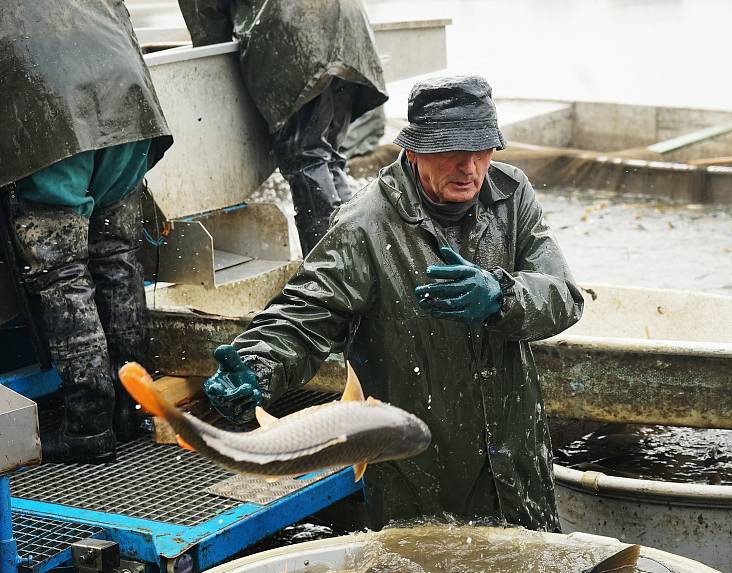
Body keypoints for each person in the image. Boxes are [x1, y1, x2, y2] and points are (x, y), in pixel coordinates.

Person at [202, 75, 584, 531]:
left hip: (518, 468)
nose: (469, 168)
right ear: (414, 150)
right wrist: (256, 366)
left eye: (480, 151)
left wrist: (501, 297)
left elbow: (563, 294)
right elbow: (305, 314)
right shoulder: (365, 224)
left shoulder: (510, 193)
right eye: (450, 152)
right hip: (418, 473)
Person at [0, 2, 173, 464]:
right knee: (116, 256)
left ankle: (88, 426)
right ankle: (130, 410)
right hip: (128, 113)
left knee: (62, 274)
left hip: (53, 122)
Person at [178, 0, 388, 255]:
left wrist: (214, 64)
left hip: (295, 30)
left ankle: (332, 272)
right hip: (348, 25)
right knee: (328, 158)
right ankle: (363, 259)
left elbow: (206, 14)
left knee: (307, 159)